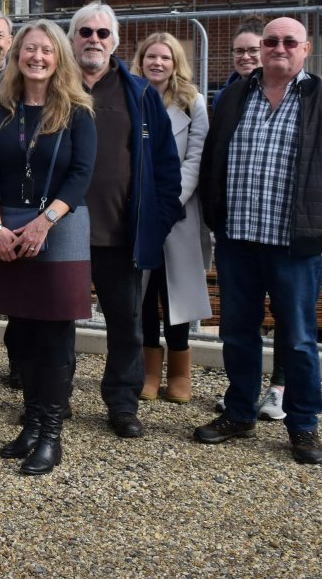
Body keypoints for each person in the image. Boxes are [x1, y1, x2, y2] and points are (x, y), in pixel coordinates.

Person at [194, 17, 322, 465]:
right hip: (239, 242)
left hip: (296, 247)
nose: (279, 48)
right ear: (261, 48)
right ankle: (239, 413)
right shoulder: (233, 96)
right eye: (271, 42)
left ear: (306, 49)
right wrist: (216, 219)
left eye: (290, 41)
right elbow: (212, 163)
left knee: (300, 339)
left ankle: (303, 425)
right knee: (237, 333)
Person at [0, 21, 95, 475]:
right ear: (17, 55)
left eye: (47, 50)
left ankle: (50, 433)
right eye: (30, 49)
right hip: (6, 227)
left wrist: (44, 223)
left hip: (59, 227)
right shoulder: (1, 110)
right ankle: (29, 422)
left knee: (54, 336)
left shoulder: (77, 110)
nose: (38, 57)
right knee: (22, 332)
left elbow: (82, 174)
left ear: (59, 56)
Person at [69, 2, 182, 439]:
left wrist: (161, 215)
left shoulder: (140, 93)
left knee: (127, 325)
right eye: (85, 32)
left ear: (114, 41)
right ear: (72, 39)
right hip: (63, 231)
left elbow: (165, 164)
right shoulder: (57, 87)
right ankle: (51, 399)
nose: (93, 39)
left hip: (122, 234)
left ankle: (122, 403)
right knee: (56, 323)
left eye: (102, 33)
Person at [213, 15, 288, 419]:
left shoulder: (301, 96)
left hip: (283, 232)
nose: (247, 56)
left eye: (253, 49)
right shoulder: (229, 96)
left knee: (289, 321)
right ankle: (240, 399)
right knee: (240, 322)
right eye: (240, 50)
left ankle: (279, 387)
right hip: (237, 229)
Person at [131, 33, 211, 403]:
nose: (157, 63)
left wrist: (171, 199)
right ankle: (149, 370)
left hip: (179, 210)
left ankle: (180, 372)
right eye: (151, 57)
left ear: (175, 62)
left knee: (175, 291)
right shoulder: (132, 96)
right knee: (144, 294)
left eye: (165, 57)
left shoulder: (192, 103)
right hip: (138, 209)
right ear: (141, 60)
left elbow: (196, 157)